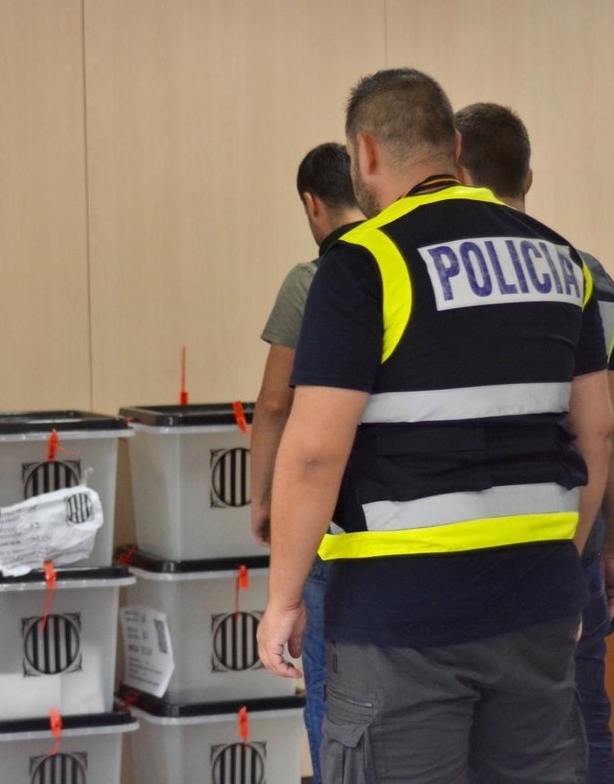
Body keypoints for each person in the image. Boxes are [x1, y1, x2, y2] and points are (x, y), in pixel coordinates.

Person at [256, 68, 614, 783]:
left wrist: (283, 597)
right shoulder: (559, 260)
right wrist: (564, 568)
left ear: (365, 154)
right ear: (453, 146)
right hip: (536, 602)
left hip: (402, 619)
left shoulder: (364, 264)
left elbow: (315, 451)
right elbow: (597, 430)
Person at [455, 101, 614, 784]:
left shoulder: (444, 272)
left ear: (455, 169)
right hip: (572, 544)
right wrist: (612, 551)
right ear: (530, 174)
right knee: (585, 726)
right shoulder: (592, 275)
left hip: (472, 548)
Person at [250, 141, 364, 784]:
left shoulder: (316, 278)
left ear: (311, 204)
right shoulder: (405, 265)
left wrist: (265, 497)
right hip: (402, 516)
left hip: (330, 517)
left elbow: (273, 404)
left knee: (324, 684)